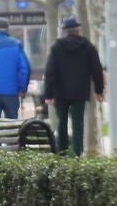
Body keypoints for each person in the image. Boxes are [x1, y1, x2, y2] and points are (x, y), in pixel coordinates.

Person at [44, 16, 105, 156]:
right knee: (78, 123)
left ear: (64, 31)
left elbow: (50, 72)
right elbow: (96, 69)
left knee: (61, 123)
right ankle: (77, 152)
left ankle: (62, 152)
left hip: (61, 91)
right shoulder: (88, 46)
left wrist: (49, 94)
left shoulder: (56, 47)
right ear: (78, 30)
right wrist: (99, 90)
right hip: (80, 90)